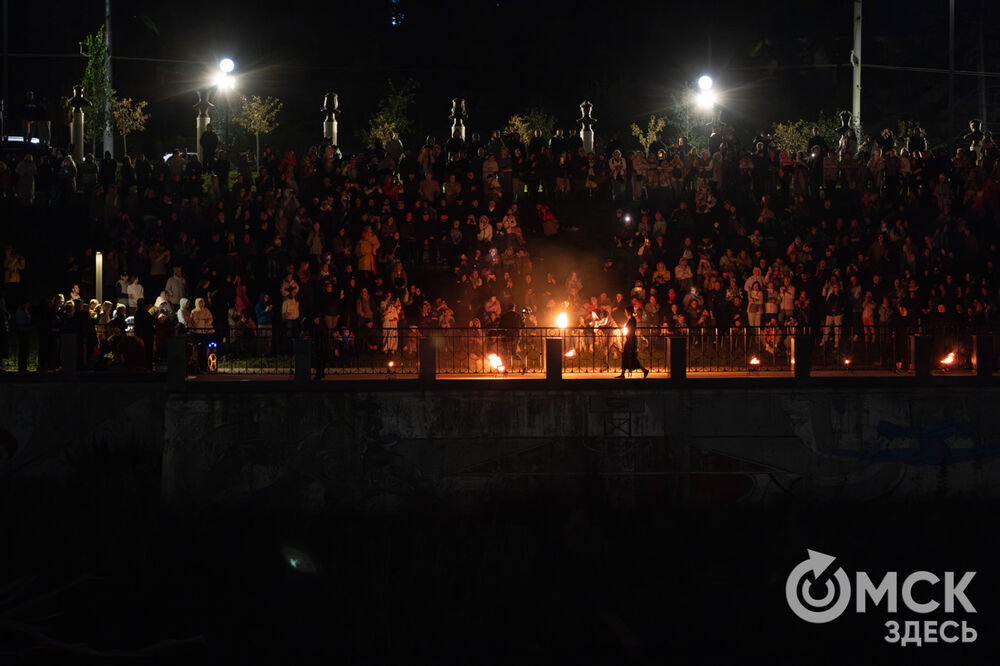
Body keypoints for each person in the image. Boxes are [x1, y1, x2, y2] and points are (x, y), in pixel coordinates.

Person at [617, 305, 649, 378]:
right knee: (626, 355)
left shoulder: (632, 319)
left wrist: (627, 333)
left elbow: (631, 330)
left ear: (629, 312)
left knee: (630, 356)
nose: (625, 313)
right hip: (629, 339)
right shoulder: (630, 319)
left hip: (631, 340)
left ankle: (644, 370)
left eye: (626, 311)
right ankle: (623, 373)